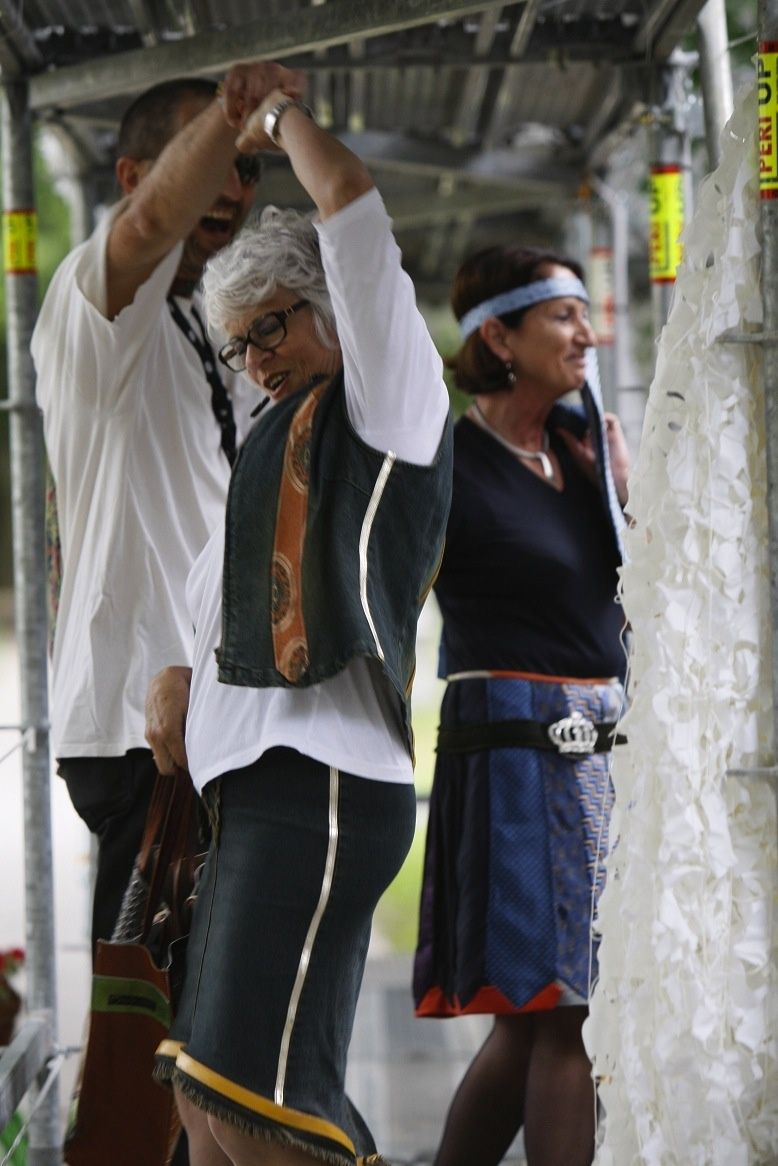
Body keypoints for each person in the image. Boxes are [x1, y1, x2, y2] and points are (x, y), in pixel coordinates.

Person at [143, 63, 452, 1166]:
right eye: (238, 345)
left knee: (253, 1106)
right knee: (202, 1100)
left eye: (268, 330)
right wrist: (176, 676)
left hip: (319, 788)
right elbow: (217, 611)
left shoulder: (386, 398)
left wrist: (270, 115)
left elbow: (351, 205)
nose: (255, 362)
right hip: (254, 797)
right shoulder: (274, 444)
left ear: (328, 308)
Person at [31, 61, 304, 960]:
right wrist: (234, 113)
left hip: (220, 718)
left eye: (248, 165)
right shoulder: (94, 306)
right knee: (146, 1026)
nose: (235, 181)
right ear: (133, 176)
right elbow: (150, 226)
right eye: (213, 156)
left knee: (214, 1019)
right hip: (141, 732)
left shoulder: (210, 329)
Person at [412, 245, 630, 1166]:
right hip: (514, 759)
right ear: (498, 337)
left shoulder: (583, 454)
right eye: (563, 316)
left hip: (599, 759)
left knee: (537, 1017)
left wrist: (627, 497)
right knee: (564, 1010)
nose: (589, 334)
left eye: (585, 313)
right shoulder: (444, 462)